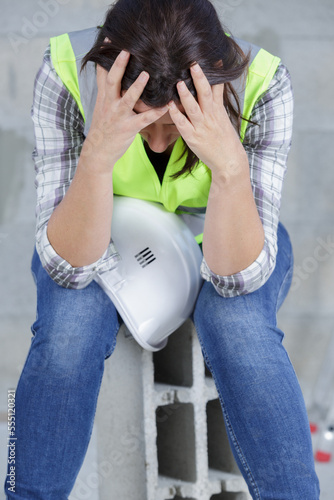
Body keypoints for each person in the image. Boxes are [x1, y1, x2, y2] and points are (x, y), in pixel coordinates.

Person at [4, 0, 320, 498]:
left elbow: (239, 276)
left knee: (236, 322)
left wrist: (229, 167)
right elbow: (67, 266)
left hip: (227, 236)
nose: (155, 142)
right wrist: (98, 154)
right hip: (99, 234)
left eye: (173, 128)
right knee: (67, 330)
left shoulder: (262, 83)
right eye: (140, 120)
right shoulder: (67, 70)